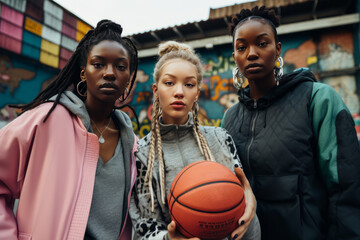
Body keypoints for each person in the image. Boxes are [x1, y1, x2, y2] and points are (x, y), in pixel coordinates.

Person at [221, 6, 360, 240]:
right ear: (235, 56)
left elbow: (346, 187)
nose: (251, 53)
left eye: (262, 43)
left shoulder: (317, 99)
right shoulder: (230, 118)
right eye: (241, 47)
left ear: (277, 50)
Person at [0, 20, 139, 239]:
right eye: (99, 64)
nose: (110, 73)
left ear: (129, 77)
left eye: (120, 66)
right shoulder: (45, 120)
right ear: (83, 73)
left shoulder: (134, 146)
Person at [129, 41, 261, 240]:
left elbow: (241, 203)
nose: (179, 92)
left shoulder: (220, 138)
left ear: (197, 93)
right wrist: (169, 239)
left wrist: (249, 203)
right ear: (156, 91)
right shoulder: (142, 153)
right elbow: (144, 228)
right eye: (169, 83)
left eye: (189, 84)